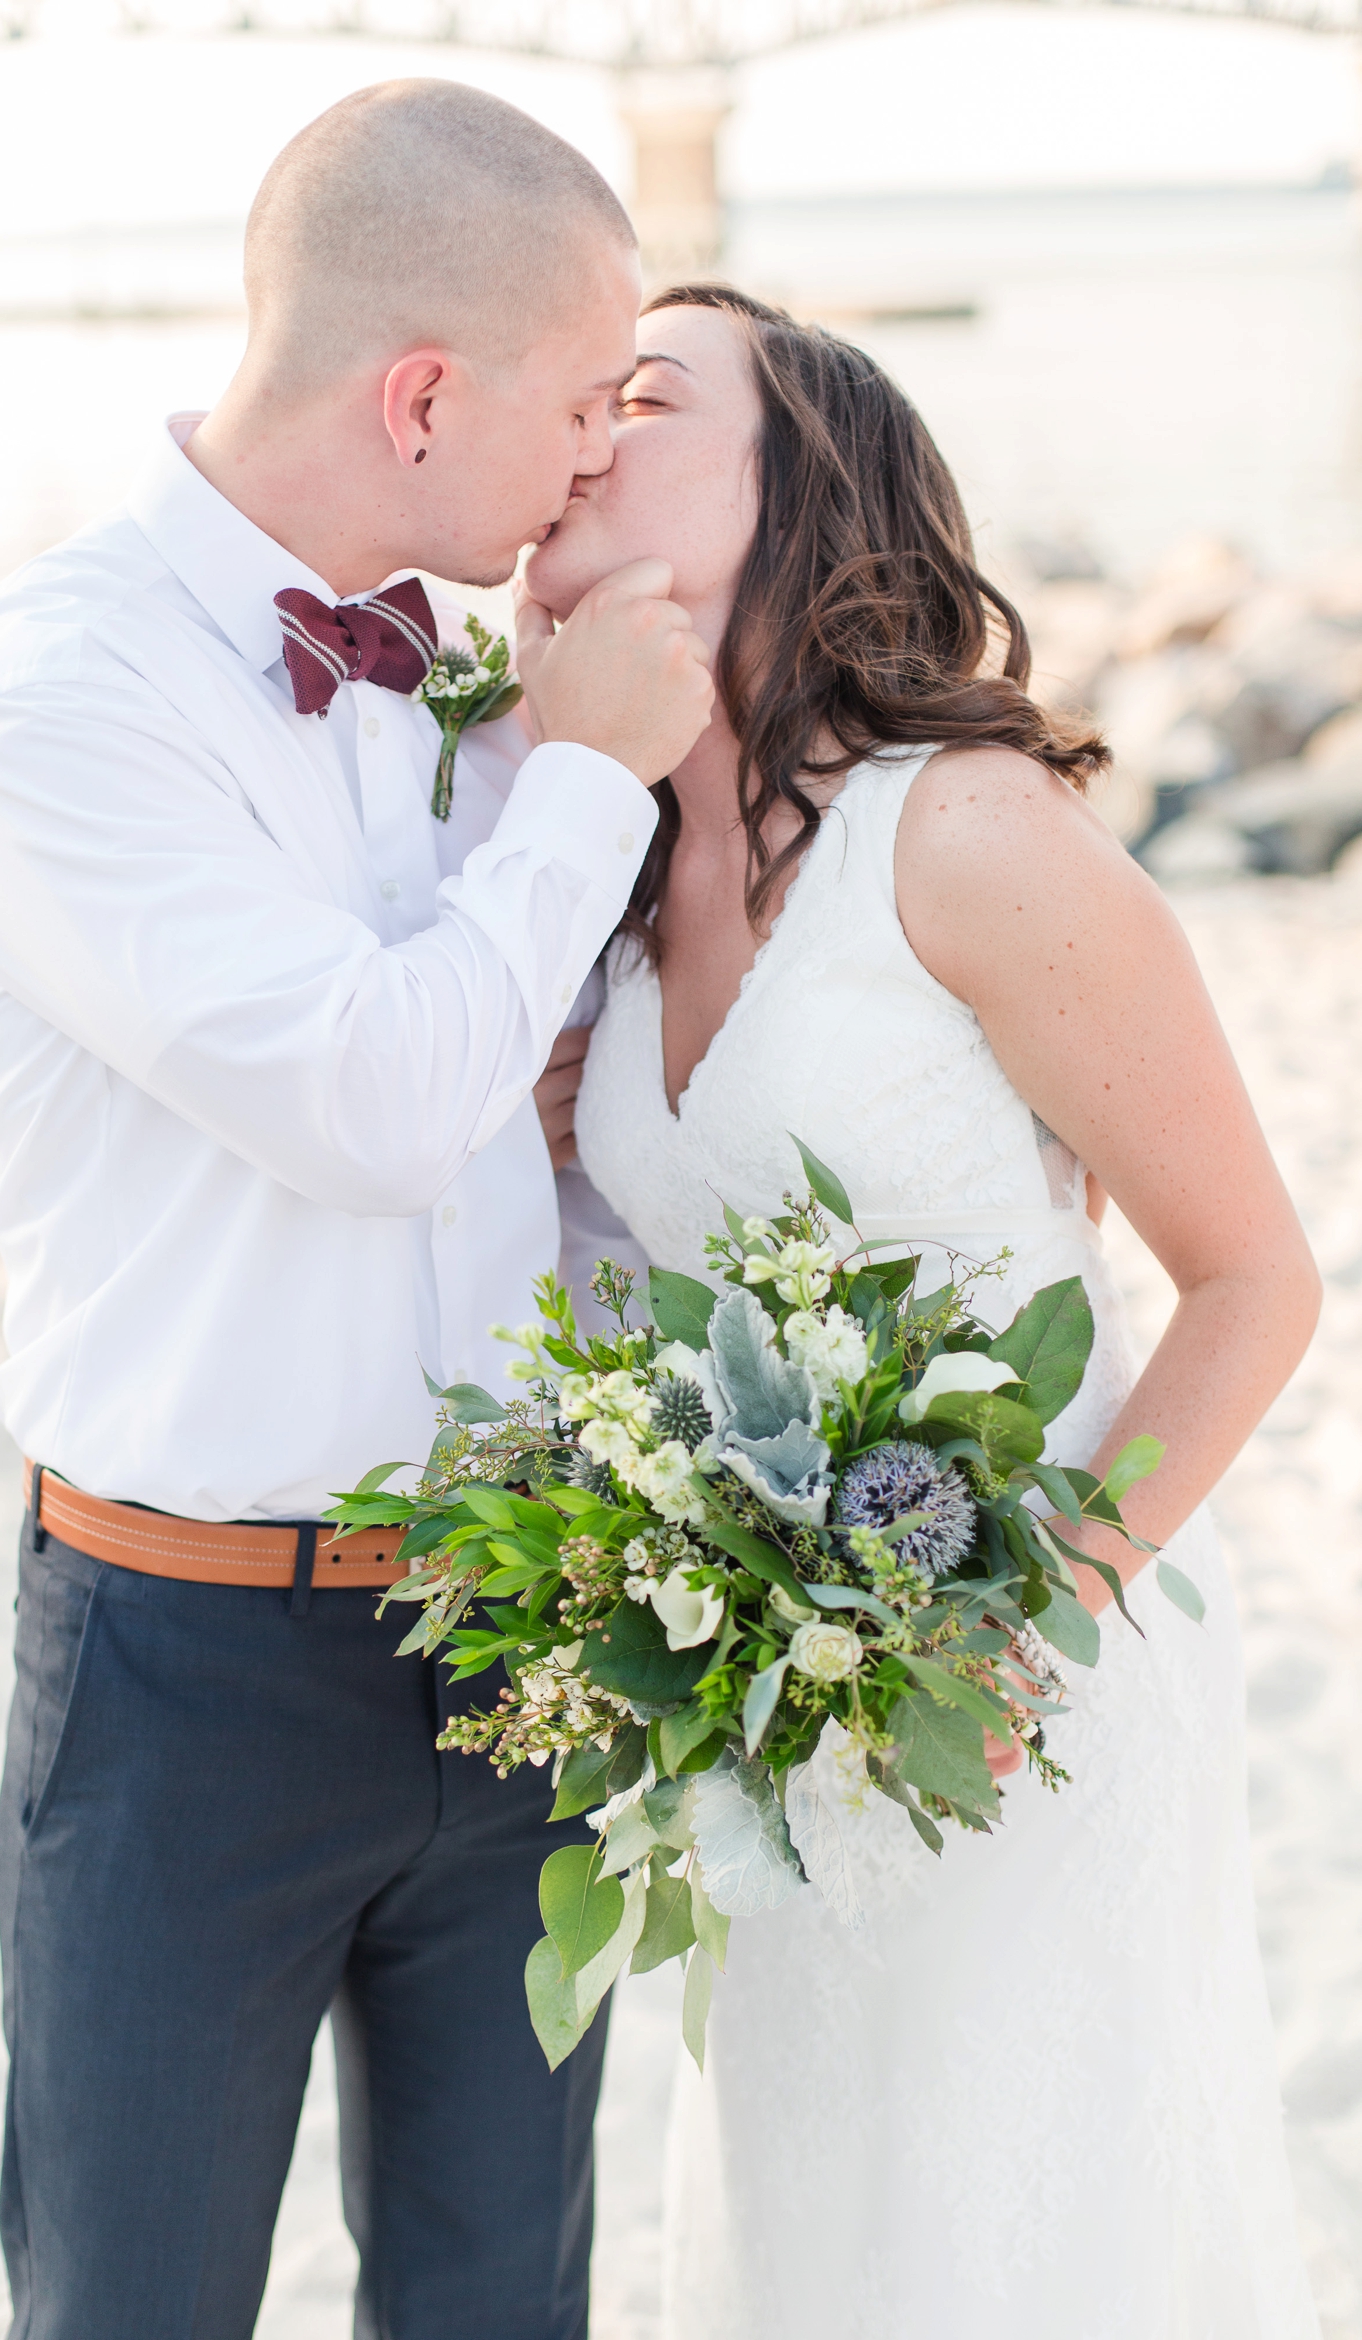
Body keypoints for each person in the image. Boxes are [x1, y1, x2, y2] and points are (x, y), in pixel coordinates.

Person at [0, 82, 713, 2340]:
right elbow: (372, 1102)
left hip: (515, 1635)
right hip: (188, 1673)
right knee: (133, 2300)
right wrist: (581, 787)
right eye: (579, 405)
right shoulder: (59, 701)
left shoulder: (469, 675)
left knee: (499, 2297)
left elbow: (504, 1111)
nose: (590, 462)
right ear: (425, 391)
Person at [524, 283, 1322, 2337]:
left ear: (804, 488)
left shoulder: (959, 832)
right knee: (823, 2220)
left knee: (1026, 2224)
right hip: (777, 1702)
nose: (585, 435)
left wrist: (1041, 1617)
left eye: (646, 399)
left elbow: (1252, 1279)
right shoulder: (598, 881)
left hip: (1037, 1660)